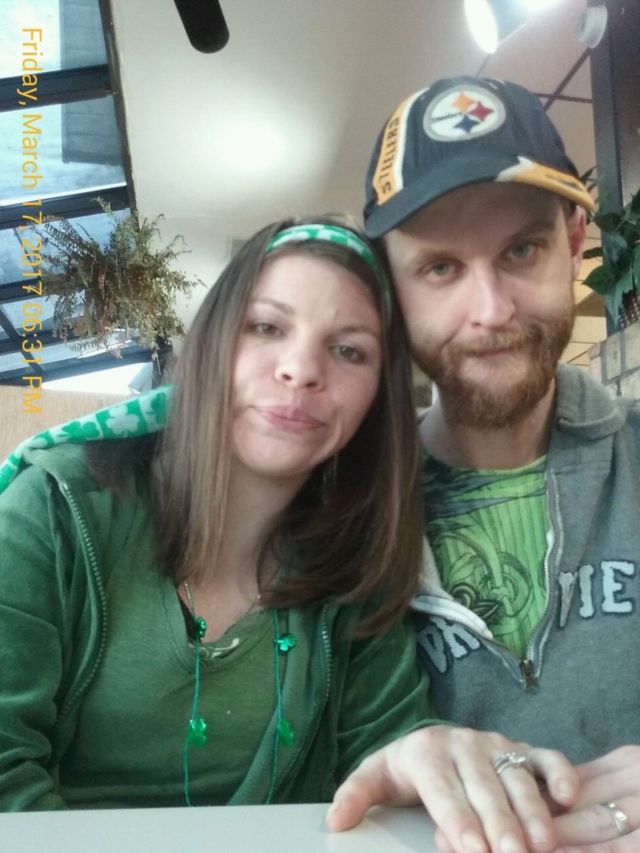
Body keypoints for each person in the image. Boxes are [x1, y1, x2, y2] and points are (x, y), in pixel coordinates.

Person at [0, 217, 576, 852]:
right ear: (213, 343)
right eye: (266, 328)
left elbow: (385, 745)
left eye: (349, 350)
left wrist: (429, 754)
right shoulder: (52, 509)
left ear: (376, 399)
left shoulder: (356, 567)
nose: (301, 370)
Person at [355, 75, 640, 850]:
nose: (491, 310)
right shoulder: (343, 511)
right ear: (389, 288)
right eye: (440, 268)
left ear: (573, 243)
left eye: (521, 249)